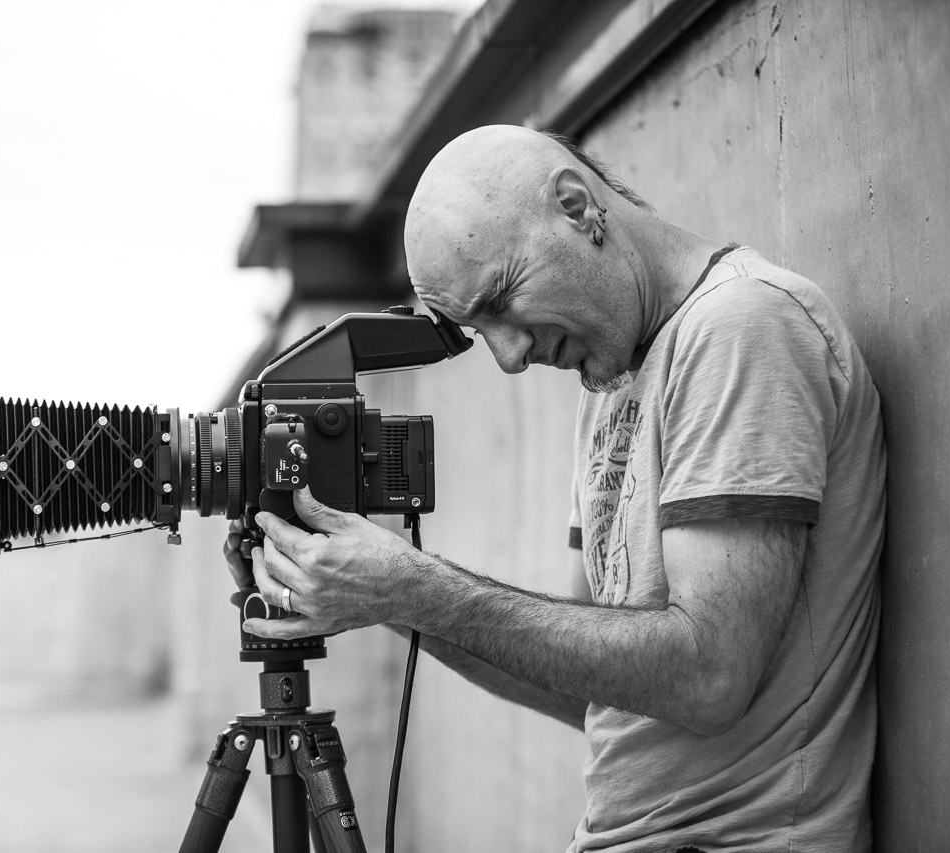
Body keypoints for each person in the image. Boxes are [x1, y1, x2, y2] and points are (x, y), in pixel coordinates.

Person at [224, 125, 884, 852]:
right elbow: (588, 684)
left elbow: (709, 674)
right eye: (478, 331)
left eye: (501, 299)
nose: (508, 355)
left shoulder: (742, 328)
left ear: (578, 208)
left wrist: (415, 590)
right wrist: (375, 592)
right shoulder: (612, 378)